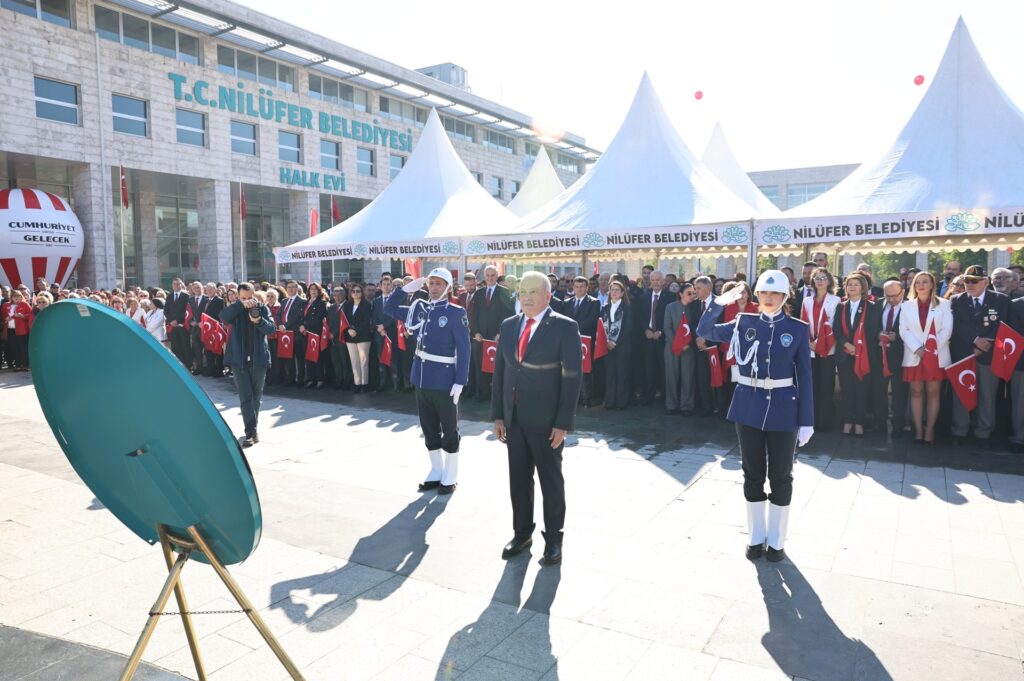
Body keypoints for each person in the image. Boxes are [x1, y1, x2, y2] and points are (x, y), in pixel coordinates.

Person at [696, 270, 814, 562]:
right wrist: (718, 302)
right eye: (764, 293)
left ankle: (776, 541)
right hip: (748, 406)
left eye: (775, 294)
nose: (769, 298)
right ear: (757, 296)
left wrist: (807, 419)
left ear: (785, 296)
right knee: (752, 474)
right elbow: (705, 331)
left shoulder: (797, 329)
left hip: (785, 408)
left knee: (781, 476)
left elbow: (806, 378)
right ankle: (756, 536)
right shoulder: (742, 323)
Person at [492, 272, 582, 565]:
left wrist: (562, 423)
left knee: (550, 481)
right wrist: (498, 415)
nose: (527, 297)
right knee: (518, 479)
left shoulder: (565, 327)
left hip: (547, 422)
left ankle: (554, 539)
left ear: (548, 295)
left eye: (533, 291)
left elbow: (572, 378)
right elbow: (501, 374)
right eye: (522, 291)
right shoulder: (508, 326)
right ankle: (522, 533)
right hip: (514, 418)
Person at [384, 268, 470, 494]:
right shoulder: (419, 309)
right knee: (429, 429)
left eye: (439, 284)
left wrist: (460, 380)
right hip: (421, 378)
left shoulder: (455, 312)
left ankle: (450, 475)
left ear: (447, 288)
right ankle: (436, 471)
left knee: (449, 430)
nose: (433, 287)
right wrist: (403, 290)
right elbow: (389, 308)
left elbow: (464, 348)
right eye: (431, 283)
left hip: (445, 380)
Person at [950, 265, 1011, 449]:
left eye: (974, 281)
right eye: (967, 280)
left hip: (988, 354)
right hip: (964, 355)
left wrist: (986, 344)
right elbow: (956, 325)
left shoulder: (1000, 300)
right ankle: (960, 430)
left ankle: (983, 433)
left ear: (986, 282)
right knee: (961, 393)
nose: (970, 284)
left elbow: (1003, 324)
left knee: (987, 395)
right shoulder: (956, 300)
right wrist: (975, 341)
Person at [898, 272, 953, 445]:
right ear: (913, 286)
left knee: (933, 392)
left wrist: (930, 349)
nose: (921, 285)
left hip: (936, 356)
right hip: (914, 355)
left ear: (932, 285)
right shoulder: (906, 306)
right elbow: (904, 330)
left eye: (925, 282)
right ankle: (918, 430)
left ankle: (929, 430)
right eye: (918, 282)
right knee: (916, 392)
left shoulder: (944, 304)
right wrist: (918, 349)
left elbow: (946, 330)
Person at [220, 282, 275, 447]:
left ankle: (253, 429)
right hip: (239, 361)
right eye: (243, 298)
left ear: (254, 294)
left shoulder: (263, 308)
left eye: (250, 297)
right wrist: (239, 305)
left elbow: (271, 330)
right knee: (246, 397)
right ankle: (250, 432)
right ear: (238, 297)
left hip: (259, 360)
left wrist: (258, 321)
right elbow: (223, 317)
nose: (248, 301)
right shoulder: (235, 310)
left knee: (256, 397)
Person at [833, 271, 881, 437]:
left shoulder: (872, 306)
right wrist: (847, 344)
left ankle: (859, 423)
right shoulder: (841, 305)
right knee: (847, 390)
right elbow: (836, 329)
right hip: (845, 354)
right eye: (849, 284)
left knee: (861, 389)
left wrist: (858, 346)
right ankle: (847, 422)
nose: (852, 287)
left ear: (863, 288)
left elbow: (873, 329)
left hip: (864, 354)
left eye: (856, 284)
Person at [469, 266, 515, 401]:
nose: (490, 278)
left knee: (497, 368)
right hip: (480, 338)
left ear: (497, 276)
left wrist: (501, 333)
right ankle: (482, 393)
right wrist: (476, 332)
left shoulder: (505, 292)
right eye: (487, 275)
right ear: (484, 276)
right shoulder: (478, 293)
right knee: (479, 367)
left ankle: (497, 395)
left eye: (493, 275)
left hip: (497, 338)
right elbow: (474, 315)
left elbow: (509, 315)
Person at [635, 270, 671, 405]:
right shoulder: (643, 298)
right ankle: (649, 397)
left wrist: (660, 331)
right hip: (647, 339)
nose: (656, 282)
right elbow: (640, 317)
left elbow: (670, 318)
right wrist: (646, 330)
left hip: (663, 338)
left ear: (663, 282)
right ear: (650, 282)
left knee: (664, 369)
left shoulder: (670, 297)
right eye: (653, 280)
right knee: (648, 369)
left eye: (658, 280)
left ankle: (666, 398)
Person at [564, 276, 600, 407]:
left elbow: (592, 320)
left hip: (586, 341)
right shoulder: (567, 303)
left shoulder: (594, 302)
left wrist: (574, 327)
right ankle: (575, 398)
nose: (579, 289)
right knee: (571, 369)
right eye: (576, 287)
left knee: (586, 371)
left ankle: (586, 398)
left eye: (582, 287)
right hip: (570, 341)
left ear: (587, 287)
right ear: (573, 288)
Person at [663, 282, 698, 415]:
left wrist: (688, 343)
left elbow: (696, 327)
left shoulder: (695, 308)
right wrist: (677, 344)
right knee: (671, 376)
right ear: (681, 294)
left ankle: (686, 406)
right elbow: (667, 327)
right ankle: (671, 405)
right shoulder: (670, 307)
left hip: (689, 348)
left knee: (688, 377)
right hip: (672, 347)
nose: (692, 295)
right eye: (689, 293)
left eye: (693, 293)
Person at [689, 276, 720, 416]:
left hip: (716, 347)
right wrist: (698, 339)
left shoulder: (719, 303)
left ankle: (720, 407)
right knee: (702, 378)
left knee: (718, 379)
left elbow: (720, 324)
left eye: (698, 288)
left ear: (708, 288)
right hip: (700, 348)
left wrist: (706, 338)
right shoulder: (694, 304)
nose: (696, 291)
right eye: (695, 288)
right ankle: (706, 408)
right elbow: (693, 324)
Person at [601, 280, 633, 410]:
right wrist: (607, 342)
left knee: (622, 374)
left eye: (617, 290)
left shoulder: (627, 307)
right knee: (610, 374)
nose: (614, 292)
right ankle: (610, 401)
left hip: (622, 346)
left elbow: (629, 328)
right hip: (607, 346)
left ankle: (621, 402)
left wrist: (615, 342)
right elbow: (601, 327)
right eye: (612, 290)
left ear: (622, 293)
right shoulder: (605, 307)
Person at [343, 283, 374, 392]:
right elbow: (344, 320)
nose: (356, 293)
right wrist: (348, 330)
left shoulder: (367, 305)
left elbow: (366, 321)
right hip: (349, 336)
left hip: (363, 336)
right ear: (350, 293)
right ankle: (357, 383)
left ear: (362, 292)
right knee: (354, 361)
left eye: (358, 291)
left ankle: (364, 384)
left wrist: (355, 330)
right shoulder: (346, 305)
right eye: (353, 291)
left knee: (363, 361)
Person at [277, 280, 306, 386]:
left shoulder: (301, 301)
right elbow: (278, 315)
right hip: (285, 334)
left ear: (297, 288)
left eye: (293, 287)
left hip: (296, 333)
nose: (290, 289)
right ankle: (291, 378)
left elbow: (297, 316)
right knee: (289, 357)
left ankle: (300, 379)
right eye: (288, 287)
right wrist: (280, 325)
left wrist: (285, 326)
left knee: (299, 358)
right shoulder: (284, 301)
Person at [301, 282, 329, 389]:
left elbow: (318, 318)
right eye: (311, 289)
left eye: (315, 289)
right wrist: (302, 326)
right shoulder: (305, 302)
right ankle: (310, 379)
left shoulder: (321, 303)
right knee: (308, 357)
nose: (313, 291)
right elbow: (301, 316)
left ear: (319, 291)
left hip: (315, 333)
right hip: (305, 333)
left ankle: (320, 379)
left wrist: (306, 326)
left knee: (317, 358)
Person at [1008, 295, 1024, 453]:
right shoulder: (1016, 305)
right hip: (1021, 362)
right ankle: (1019, 438)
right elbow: (1014, 331)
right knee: (1020, 402)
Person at [165, 277, 191, 366]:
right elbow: (166, 310)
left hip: (183, 325)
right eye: (174, 284)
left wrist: (178, 320)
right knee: (175, 347)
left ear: (181, 284)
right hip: (172, 326)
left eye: (178, 284)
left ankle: (187, 365)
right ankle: (177, 365)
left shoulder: (186, 296)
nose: (176, 285)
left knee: (185, 346)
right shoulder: (169, 296)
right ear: (172, 285)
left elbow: (186, 311)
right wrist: (170, 321)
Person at [5, 290, 33, 371]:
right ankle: (17, 365)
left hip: (21, 330)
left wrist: (23, 316)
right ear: (12, 297)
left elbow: (31, 315)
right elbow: (3, 315)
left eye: (19, 296)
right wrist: (5, 318)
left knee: (22, 347)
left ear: (21, 296)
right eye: (15, 296)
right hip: (10, 329)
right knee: (14, 347)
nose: (17, 298)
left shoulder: (25, 304)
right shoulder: (6, 305)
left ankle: (24, 365)